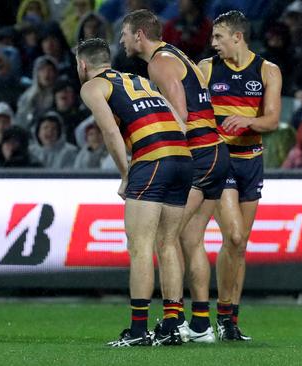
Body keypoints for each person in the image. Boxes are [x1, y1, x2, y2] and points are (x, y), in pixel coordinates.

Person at [121, 9, 231, 343]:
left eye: (124, 34)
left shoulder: (159, 62)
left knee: (165, 238)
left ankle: (174, 321)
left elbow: (179, 114)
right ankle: (200, 325)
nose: (122, 40)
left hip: (197, 154)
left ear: (140, 34)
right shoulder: (177, 54)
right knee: (190, 239)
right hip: (215, 152)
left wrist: (167, 150)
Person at [76, 38, 192, 347]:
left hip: (152, 160)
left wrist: (127, 174)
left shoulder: (92, 87)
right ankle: (171, 325)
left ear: (83, 65)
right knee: (167, 244)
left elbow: (110, 132)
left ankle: (139, 331)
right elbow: (181, 124)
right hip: (182, 158)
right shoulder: (139, 80)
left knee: (140, 247)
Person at [198, 10, 281, 341]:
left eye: (218, 37)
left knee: (240, 243)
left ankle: (229, 320)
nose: (213, 43)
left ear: (237, 37)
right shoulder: (206, 68)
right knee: (232, 236)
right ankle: (220, 313)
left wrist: (248, 121)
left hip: (252, 159)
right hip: (221, 160)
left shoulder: (267, 71)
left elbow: (272, 120)